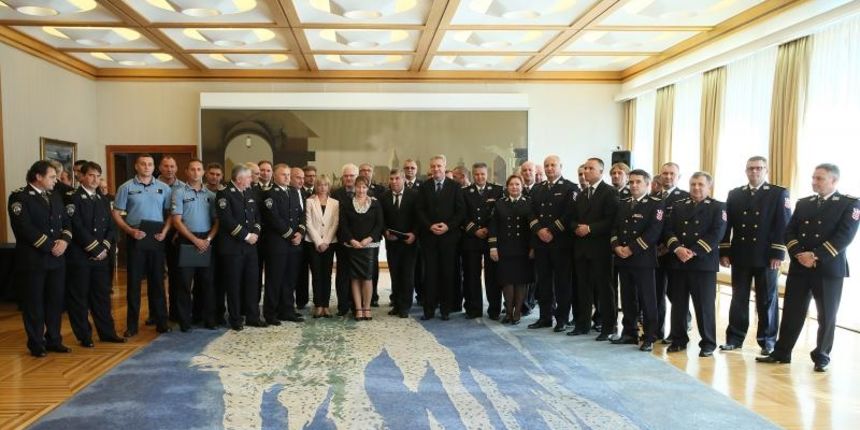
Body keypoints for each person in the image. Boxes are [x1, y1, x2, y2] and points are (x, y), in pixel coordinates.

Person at [757, 163, 859, 372]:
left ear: (834, 181)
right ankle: (782, 352)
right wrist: (799, 255)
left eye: (819, 178)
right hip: (800, 268)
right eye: (813, 178)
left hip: (828, 268)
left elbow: (844, 236)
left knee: (826, 315)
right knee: (792, 312)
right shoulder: (804, 203)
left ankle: (821, 356)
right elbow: (789, 231)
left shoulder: (850, 204)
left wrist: (815, 256)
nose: (814, 182)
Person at [719, 156, 790, 355]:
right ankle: (734, 338)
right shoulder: (735, 194)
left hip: (767, 257)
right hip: (740, 254)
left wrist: (778, 252)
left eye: (759, 168)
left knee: (767, 300)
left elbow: (783, 225)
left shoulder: (778, 193)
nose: (754, 172)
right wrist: (724, 251)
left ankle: (767, 341)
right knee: (738, 299)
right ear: (746, 171)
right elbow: (727, 225)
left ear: (766, 170)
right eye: (751, 168)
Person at [8, 161, 73, 357]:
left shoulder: (54, 195)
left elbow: (66, 222)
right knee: (34, 303)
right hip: (34, 260)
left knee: (55, 302)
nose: (56, 180)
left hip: (57, 259)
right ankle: (36, 343)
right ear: (38, 177)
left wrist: (64, 241)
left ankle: (54, 339)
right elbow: (24, 228)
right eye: (52, 177)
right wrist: (51, 246)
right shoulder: (19, 197)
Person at [663, 172, 727, 357]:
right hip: (678, 262)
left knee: (704, 306)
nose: (696, 188)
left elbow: (717, 234)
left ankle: (708, 343)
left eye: (700, 184)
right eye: (693, 184)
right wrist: (677, 249)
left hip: (702, 263)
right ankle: (678, 339)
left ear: (709, 187)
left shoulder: (718, 207)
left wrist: (693, 251)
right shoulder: (677, 206)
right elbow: (668, 230)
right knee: (679, 305)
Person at [64, 161, 126, 347]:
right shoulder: (72, 198)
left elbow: (110, 226)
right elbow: (76, 225)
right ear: (81, 176)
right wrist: (94, 248)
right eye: (91, 175)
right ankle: (84, 335)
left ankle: (107, 332)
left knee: (101, 297)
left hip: (101, 257)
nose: (95, 179)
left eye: (98, 176)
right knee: (79, 298)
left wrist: (105, 247)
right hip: (80, 256)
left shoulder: (102, 199)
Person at [112, 154, 173, 337]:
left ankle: (162, 322)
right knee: (134, 283)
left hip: (156, 237)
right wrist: (129, 230)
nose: (147, 167)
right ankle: (132, 326)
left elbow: (171, 213)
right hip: (135, 236)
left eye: (150, 164)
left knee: (158, 282)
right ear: (136, 167)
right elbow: (116, 213)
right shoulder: (126, 187)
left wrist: (165, 232)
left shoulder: (163, 188)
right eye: (143, 164)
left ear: (154, 167)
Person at [609, 170, 664, 351]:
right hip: (623, 259)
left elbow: (653, 233)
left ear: (647, 184)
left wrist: (630, 249)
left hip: (643, 260)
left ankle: (649, 337)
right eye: (631, 182)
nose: (633, 185)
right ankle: (629, 333)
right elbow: (615, 228)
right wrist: (616, 246)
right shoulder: (623, 203)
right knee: (627, 299)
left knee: (647, 300)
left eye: (638, 182)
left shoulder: (656, 204)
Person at [569, 158, 619, 340]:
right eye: (585, 169)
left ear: (600, 171)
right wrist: (576, 227)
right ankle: (583, 325)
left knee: (604, 290)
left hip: (600, 249)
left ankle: (608, 327)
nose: (586, 172)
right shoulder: (582, 194)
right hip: (581, 248)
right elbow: (572, 218)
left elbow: (612, 220)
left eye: (591, 168)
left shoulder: (610, 192)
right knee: (583, 288)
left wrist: (589, 229)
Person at [528, 155, 579, 332]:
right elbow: (530, 213)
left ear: (560, 166)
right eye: (546, 165)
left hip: (561, 243)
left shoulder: (570, 188)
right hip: (541, 243)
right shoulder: (537, 188)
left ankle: (562, 319)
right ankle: (545, 317)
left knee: (562, 282)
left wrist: (551, 231)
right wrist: (539, 231)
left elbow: (570, 213)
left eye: (553, 165)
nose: (549, 168)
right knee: (543, 281)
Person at [171, 159, 219, 331]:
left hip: (206, 240)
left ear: (203, 172)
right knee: (184, 283)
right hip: (187, 239)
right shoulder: (179, 192)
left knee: (207, 282)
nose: (196, 172)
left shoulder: (211, 195)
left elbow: (217, 222)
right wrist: (194, 239)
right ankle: (185, 321)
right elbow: (176, 221)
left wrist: (207, 240)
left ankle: (208, 319)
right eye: (192, 169)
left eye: (199, 169)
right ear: (186, 171)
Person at [215, 164, 265, 331]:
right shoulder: (224, 194)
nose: (252, 179)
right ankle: (235, 319)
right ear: (239, 179)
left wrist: (256, 233)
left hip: (251, 247)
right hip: (233, 248)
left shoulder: (248, 192)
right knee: (234, 284)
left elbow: (257, 215)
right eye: (249, 177)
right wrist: (246, 236)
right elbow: (227, 219)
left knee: (252, 282)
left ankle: (253, 316)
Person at [416, 155, 465, 320]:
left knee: (447, 274)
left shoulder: (455, 187)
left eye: (438, 166)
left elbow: (461, 212)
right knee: (429, 275)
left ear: (444, 167)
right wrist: (430, 225)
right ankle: (428, 311)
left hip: (449, 239)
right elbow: (420, 210)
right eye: (433, 166)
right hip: (429, 238)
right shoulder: (425, 187)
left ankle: (445, 310)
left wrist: (448, 226)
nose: (436, 169)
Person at [260, 164, 307, 325]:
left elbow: (301, 215)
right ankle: (270, 313)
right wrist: (290, 235)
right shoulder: (269, 194)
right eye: (283, 175)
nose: (287, 177)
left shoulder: (294, 192)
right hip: (278, 243)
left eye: (288, 175)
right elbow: (273, 218)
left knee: (290, 279)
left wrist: (300, 233)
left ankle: (287, 310)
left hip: (294, 243)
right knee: (275, 279)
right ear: (274, 176)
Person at [489, 175, 534, 325]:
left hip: (523, 249)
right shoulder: (499, 204)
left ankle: (517, 312)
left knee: (521, 281)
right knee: (507, 281)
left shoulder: (529, 203)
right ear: (507, 187)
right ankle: (508, 311)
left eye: (517, 184)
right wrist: (493, 247)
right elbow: (493, 227)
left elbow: (533, 229)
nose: (514, 187)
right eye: (511, 184)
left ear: (522, 186)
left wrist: (533, 247)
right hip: (505, 248)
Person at [338, 176, 385, 321]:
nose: (361, 190)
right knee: (355, 278)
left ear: (368, 187)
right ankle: (358, 308)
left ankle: (367, 307)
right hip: (352, 246)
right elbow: (343, 225)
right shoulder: (346, 204)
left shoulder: (375, 204)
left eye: (364, 187)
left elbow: (379, 224)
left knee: (367, 278)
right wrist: (352, 240)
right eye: (358, 187)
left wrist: (368, 239)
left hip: (369, 246)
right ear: (354, 187)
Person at [461, 162, 504, 319]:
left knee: (492, 276)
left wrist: (488, 229)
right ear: (473, 175)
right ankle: (474, 308)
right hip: (471, 239)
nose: (480, 177)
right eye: (477, 174)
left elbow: (500, 214)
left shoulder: (498, 191)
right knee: (472, 275)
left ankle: (494, 309)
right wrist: (475, 230)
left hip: (490, 239)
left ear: (488, 174)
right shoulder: (465, 192)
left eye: (483, 174)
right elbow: (462, 215)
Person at [653, 162, 690, 343]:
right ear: (660, 176)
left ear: (678, 177)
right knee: (657, 294)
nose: (668, 177)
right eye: (665, 173)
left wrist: (669, 246)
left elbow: (684, 227)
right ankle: (657, 331)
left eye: (672, 174)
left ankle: (679, 330)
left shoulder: (685, 197)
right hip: (655, 254)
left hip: (675, 253)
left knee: (676, 295)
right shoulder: (653, 197)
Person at [381, 168, 419, 318]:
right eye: (391, 179)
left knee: (407, 275)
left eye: (397, 178)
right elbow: (381, 219)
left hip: (409, 243)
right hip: (392, 243)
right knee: (395, 274)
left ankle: (405, 306)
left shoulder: (414, 196)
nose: (394, 181)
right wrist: (385, 232)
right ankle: (396, 304)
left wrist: (414, 234)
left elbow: (418, 217)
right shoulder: (384, 197)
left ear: (403, 179)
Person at [305, 174, 339, 318]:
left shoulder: (335, 203)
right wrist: (319, 242)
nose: (322, 187)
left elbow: (335, 223)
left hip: (330, 243)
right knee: (316, 274)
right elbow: (308, 223)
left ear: (328, 186)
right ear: (316, 186)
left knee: (327, 274)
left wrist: (326, 241)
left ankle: (326, 305)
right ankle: (318, 305)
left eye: (325, 185)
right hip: (313, 243)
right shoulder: (309, 202)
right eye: (319, 184)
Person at [158, 156, 184, 325]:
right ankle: (157, 313)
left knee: (176, 275)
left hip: (176, 235)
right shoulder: (152, 185)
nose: (169, 169)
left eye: (172, 166)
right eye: (166, 166)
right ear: (160, 168)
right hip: (155, 234)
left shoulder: (183, 187)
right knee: (157, 275)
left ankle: (175, 312)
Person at [332, 163, 359, 316]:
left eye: (352, 176)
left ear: (357, 177)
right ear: (342, 178)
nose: (349, 178)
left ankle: (356, 305)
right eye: (346, 176)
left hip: (359, 243)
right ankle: (343, 305)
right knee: (342, 275)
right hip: (342, 241)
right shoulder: (336, 194)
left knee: (357, 275)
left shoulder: (363, 193)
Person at [290, 166, 311, 310]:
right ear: (290, 177)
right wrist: (294, 235)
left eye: (303, 178)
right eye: (298, 177)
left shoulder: (304, 193)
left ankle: (302, 301)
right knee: (290, 274)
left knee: (303, 271)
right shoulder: (287, 193)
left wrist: (301, 232)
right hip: (290, 239)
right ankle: (287, 303)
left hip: (304, 239)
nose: (301, 180)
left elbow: (305, 215)